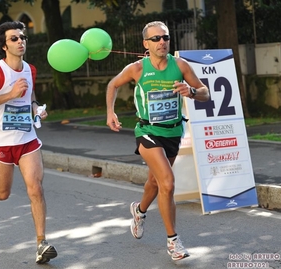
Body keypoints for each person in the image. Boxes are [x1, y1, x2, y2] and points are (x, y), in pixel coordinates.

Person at [106, 21, 210, 261]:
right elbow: (113, 84)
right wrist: (111, 112)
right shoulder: (137, 69)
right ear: (146, 44)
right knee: (168, 183)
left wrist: (191, 92)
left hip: (173, 132)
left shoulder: (180, 65)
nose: (162, 42)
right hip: (147, 131)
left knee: (154, 182)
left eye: (165, 37)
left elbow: (205, 92)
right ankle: (173, 242)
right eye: (156, 39)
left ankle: (139, 211)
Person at [0, 21, 57, 264]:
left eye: (22, 37)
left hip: (27, 138)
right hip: (2, 142)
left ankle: (41, 243)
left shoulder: (30, 69)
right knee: (3, 192)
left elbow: (29, 98)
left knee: (36, 188)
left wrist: (36, 110)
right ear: (4, 45)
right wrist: (9, 94)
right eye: (14, 38)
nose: (21, 41)